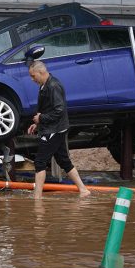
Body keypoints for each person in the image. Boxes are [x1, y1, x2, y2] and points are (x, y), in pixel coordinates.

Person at [27, 60, 91, 199]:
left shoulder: (53, 86)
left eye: (33, 76)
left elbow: (59, 111)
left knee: (40, 162)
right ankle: (83, 190)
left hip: (54, 130)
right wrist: (37, 123)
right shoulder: (45, 85)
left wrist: (41, 119)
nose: (32, 79)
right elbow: (46, 109)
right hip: (54, 128)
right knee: (64, 161)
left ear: (41, 72)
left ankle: (37, 198)